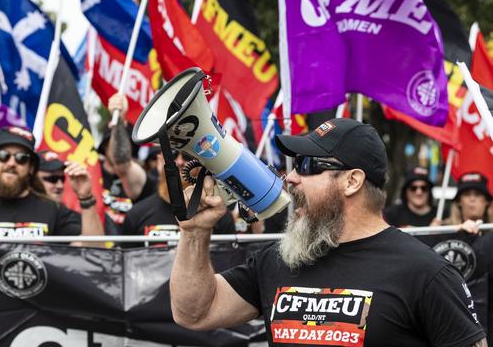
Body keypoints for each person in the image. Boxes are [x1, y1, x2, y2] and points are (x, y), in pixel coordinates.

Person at [170, 118, 486, 346]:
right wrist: (195, 232)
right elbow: (195, 313)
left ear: (352, 181)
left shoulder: (426, 274)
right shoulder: (278, 260)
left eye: (307, 166)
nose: (291, 178)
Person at [0, 126, 102, 240]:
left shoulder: (52, 210)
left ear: (30, 168)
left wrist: (86, 198)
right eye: (3, 156)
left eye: (21, 158)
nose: (11, 163)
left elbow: (93, 249)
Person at [121, 150, 235, 247]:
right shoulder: (136, 214)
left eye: (187, 156)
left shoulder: (218, 215)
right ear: (160, 159)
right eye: (173, 154)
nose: (180, 162)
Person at [99, 93, 156, 227]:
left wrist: (119, 120)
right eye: (111, 142)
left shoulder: (137, 175)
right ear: (104, 146)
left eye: (125, 143)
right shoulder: (91, 173)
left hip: (128, 245)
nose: (116, 145)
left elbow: (122, 163)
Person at [36, 150, 103, 238]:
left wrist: (86, 197)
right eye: (52, 179)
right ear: (32, 179)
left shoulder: (67, 216)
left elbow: (95, 247)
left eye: (62, 178)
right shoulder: (16, 207)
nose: (60, 186)